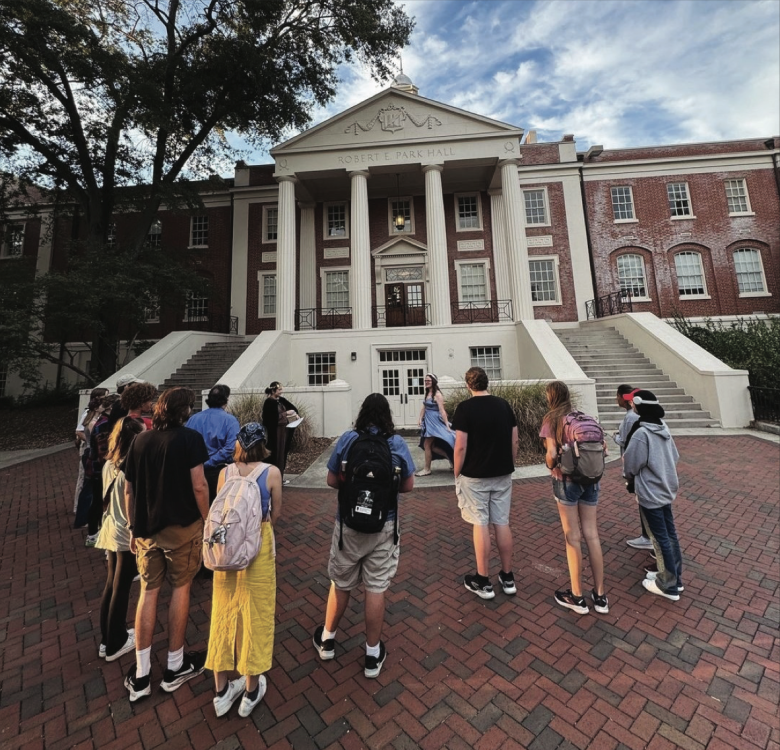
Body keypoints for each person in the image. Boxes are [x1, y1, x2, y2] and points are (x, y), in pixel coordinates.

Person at [312, 393, 414, 679]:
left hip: (348, 525)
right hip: (384, 525)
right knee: (376, 587)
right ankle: (371, 654)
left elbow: (332, 479)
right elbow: (408, 486)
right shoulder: (396, 443)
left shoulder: (348, 440)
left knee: (341, 583)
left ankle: (328, 640)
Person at [123, 386, 210, 702]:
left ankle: (142, 672)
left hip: (147, 528)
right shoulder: (189, 439)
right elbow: (199, 486)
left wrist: (133, 527)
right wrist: (209, 520)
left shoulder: (140, 440)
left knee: (148, 592)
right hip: (182, 527)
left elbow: (129, 490)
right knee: (181, 588)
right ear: (184, 411)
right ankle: (175, 665)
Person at [206, 422, 282, 718]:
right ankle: (251, 690)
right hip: (257, 549)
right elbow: (275, 513)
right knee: (256, 615)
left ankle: (222, 691)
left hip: (226, 548)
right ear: (262, 444)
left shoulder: (225, 472)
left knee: (223, 614)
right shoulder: (271, 472)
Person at [540, 381, 607, 615]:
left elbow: (550, 456)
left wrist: (550, 463)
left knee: (572, 538)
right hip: (592, 479)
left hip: (566, 481)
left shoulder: (552, 420)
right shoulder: (583, 417)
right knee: (592, 535)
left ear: (551, 398)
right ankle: (600, 596)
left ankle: (577, 596)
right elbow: (603, 449)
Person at [452, 367, 518, 600]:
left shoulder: (465, 408)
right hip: (502, 473)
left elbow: (460, 446)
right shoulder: (503, 405)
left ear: (468, 385)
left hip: (475, 475)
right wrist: (510, 463)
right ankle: (508, 576)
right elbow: (514, 440)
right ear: (486, 382)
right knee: (501, 522)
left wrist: (456, 471)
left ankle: (483, 580)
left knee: (480, 524)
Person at [622, 390, 683, 601]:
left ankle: (668, 584)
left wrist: (629, 478)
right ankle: (676, 577)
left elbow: (631, 463)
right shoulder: (663, 427)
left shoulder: (642, 433)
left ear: (639, 406)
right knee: (670, 534)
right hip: (666, 488)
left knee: (659, 538)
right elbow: (674, 455)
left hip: (650, 491)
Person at [95, 417, 146, 662]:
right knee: (122, 585)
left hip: (110, 527)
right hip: (127, 530)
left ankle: (106, 639)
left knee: (111, 584)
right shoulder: (132, 466)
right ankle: (116, 641)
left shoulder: (109, 463)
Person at [613, 384, 653, 552]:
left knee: (644, 502)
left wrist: (615, 437)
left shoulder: (631, 418)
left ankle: (648, 537)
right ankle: (648, 536)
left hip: (637, 468)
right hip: (641, 467)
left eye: (618, 396)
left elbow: (628, 441)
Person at [186, 384, 240, 501]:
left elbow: (185, 444)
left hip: (194, 470)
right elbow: (230, 448)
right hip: (219, 472)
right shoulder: (230, 420)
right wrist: (209, 462)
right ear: (226, 400)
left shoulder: (193, 419)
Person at [83, 393, 121, 542]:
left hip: (98, 468)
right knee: (99, 500)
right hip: (100, 469)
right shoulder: (104, 424)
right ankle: (93, 534)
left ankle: (96, 531)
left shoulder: (104, 421)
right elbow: (103, 452)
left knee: (100, 500)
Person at [73, 387, 108, 518]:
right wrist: (91, 441)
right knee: (84, 479)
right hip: (88, 449)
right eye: (104, 397)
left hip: (91, 449)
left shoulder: (98, 415)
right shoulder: (89, 413)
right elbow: (79, 431)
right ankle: (78, 508)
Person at [416, 373, 455, 476]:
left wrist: (447, 425)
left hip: (435, 422)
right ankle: (449, 457)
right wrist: (420, 418)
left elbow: (442, 411)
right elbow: (424, 407)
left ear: (433, 381)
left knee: (427, 444)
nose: (426, 382)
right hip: (428, 422)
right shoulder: (428, 393)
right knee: (432, 446)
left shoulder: (437, 394)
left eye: (428, 380)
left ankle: (427, 469)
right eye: (425, 381)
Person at [261, 382, 299, 484]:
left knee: (281, 454)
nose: (281, 391)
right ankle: (271, 479)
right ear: (273, 391)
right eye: (279, 390)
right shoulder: (269, 403)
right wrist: (286, 413)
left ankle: (279, 478)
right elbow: (270, 419)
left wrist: (295, 414)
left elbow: (292, 408)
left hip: (283, 433)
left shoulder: (281, 400)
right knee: (274, 455)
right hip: (274, 434)